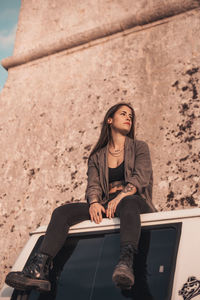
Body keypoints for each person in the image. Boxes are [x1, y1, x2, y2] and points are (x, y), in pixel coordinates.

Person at [5, 102, 156, 292]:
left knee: (128, 202)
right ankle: (38, 269)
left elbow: (141, 177)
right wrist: (93, 202)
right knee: (62, 212)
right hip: (107, 203)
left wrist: (120, 197)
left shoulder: (139, 147)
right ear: (110, 120)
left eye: (131, 116)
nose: (128, 118)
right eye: (123, 114)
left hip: (134, 202)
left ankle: (126, 263)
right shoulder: (96, 157)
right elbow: (93, 185)